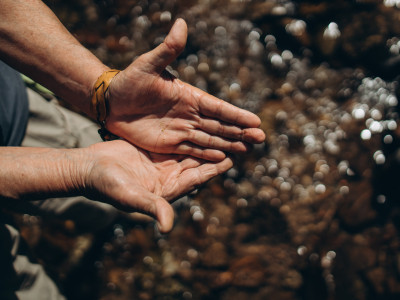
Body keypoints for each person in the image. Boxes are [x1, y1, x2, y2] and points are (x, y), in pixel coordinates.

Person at [0, 0, 265, 298]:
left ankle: (117, 215)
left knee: (109, 192)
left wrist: (102, 91)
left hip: (11, 109)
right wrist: (78, 170)